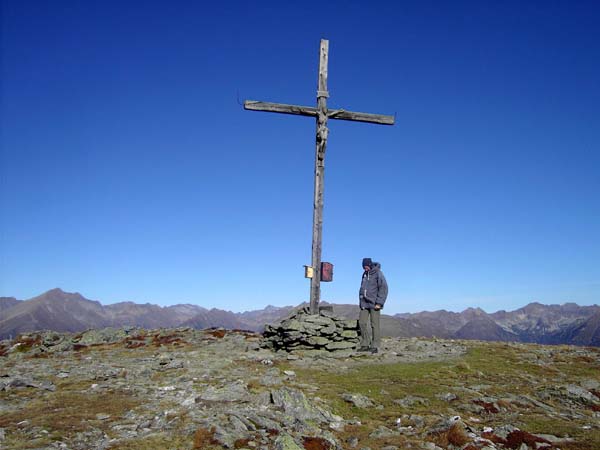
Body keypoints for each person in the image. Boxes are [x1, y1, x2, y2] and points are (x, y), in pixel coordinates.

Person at [358, 257, 388, 354]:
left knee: (374, 325)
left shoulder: (378, 273)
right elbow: (362, 288)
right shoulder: (364, 274)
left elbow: (384, 288)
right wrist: (361, 301)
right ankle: (365, 344)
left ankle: (375, 346)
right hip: (364, 304)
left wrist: (379, 303)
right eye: (364, 267)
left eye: (366, 266)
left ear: (370, 265)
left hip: (375, 304)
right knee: (362, 323)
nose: (365, 268)